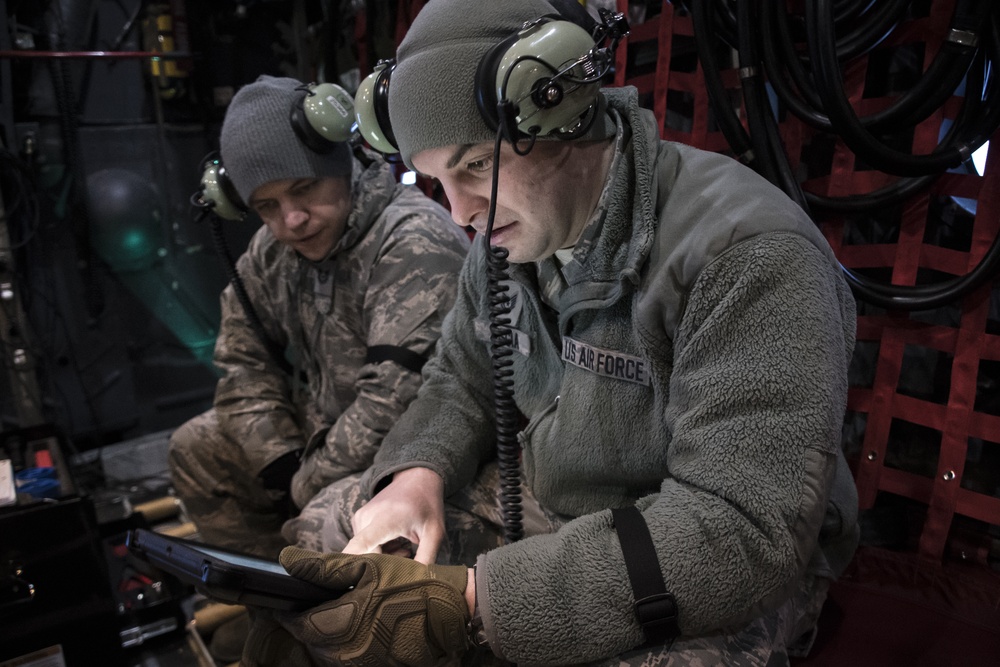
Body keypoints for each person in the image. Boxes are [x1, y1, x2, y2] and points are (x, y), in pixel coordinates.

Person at [242, 1, 861, 665]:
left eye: (476, 165)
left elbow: (740, 532)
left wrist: (477, 601)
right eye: (435, 180)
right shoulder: (507, 234)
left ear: (561, 110)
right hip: (556, 499)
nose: (459, 212)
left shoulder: (746, 252)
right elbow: (460, 379)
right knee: (331, 540)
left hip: (702, 543)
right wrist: (414, 476)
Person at [167, 75, 470, 560]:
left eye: (304, 189)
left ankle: (311, 605)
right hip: (320, 439)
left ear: (342, 164)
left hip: (409, 444)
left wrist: (305, 479)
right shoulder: (274, 251)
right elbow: (241, 361)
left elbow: (393, 403)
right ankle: (273, 600)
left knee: (318, 518)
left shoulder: (413, 240)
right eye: (266, 206)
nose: (291, 220)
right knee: (196, 447)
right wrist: (279, 457)